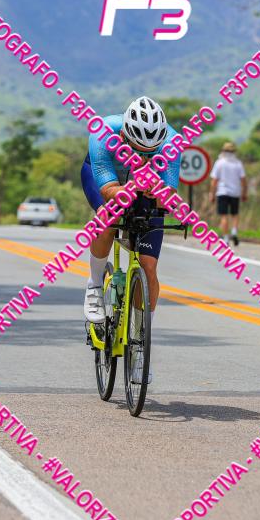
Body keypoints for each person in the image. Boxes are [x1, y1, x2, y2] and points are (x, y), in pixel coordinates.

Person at [80, 96, 180, 383]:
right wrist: (132, 187)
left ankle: (140, 344)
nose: (143, 157)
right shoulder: (103, 132)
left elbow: (169, 198)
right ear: (123, 136)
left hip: (144, 185)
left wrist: (158, 191)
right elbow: (109, 189)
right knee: (108, 216)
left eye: (151, 152)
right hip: (106, 180)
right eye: (136, 150)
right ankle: (94, 284)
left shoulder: (171, 143)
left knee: (148, 267)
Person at [210, 142, 247, 246]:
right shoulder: (238, 163)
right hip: (235, 192)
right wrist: (244, 192)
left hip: (222, 192)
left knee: (224, 216)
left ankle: (226, 238)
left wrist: (212, 194)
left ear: (223, 151)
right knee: (235, 214)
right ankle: (234, 232)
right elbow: (243, 180)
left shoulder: (219, 163)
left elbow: (214, 181)